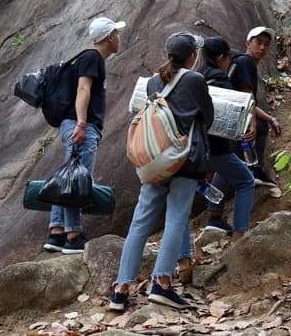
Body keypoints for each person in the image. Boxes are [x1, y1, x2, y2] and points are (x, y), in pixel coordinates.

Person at [109, 32, 214, 311]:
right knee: (176, 219)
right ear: (192, 56)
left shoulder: (155, 80)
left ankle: (121, 289)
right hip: (185, 160)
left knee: (140, 222)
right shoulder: (195, 79)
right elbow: (209, 117)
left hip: (157, 160)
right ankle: (162, 284)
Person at [42, 16, 125, 255]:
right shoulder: (92, 57)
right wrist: (81, 123)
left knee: (68, 175)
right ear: (110, 37)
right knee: (77, 180)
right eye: (117, 35)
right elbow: (83, 88)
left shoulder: (87, 57)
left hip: (74, 124)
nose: (119, 39)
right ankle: (73, 235)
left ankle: (56, 233)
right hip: (81, 126)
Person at [176, 37, 256, 280]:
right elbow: (229, 113)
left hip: (189, 149)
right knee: (246, 181)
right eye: (228, 57)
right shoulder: (220, 79)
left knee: (181, 204)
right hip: (216, 149)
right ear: (221, 58)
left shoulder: (193, 77)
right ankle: (239, 236)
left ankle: (183, 261)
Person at [228, 26, 283, 200]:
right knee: (258, 127)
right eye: (258, 42)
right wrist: (252, 123)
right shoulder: (245, 62)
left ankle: (255, 170)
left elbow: (252, 103)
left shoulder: (245, 62)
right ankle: (256, 170)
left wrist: (271, 119)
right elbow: (247, 96)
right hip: (233, 117)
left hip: (229, 115)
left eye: (266, 44)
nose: (262, 48)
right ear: (247, 43)